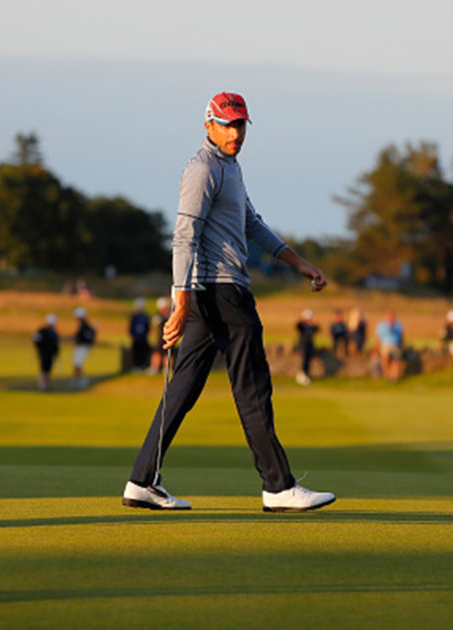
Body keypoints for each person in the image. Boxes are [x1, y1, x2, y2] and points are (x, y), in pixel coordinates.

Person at [122, 92, 335, 512]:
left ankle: (141, 481)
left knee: (183, 388)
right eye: (227, 124)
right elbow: (184, 236)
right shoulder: (203, 169)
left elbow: (252, 223)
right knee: (252, 386)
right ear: (209, 125)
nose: (235, 132)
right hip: (220, 292)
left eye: (240, 125)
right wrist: (179, 304)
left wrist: (299, 263)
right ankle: (278, 487)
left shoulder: (229, 168)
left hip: (210, 293)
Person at [375, 310, 404, 383]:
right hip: (385, 345)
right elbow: (378, 337)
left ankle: (394, 378)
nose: (391, 318)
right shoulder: (381, 325)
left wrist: (402, 345)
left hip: (396, 345)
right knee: (385, 359)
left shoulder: (398, 325)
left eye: (392, 316)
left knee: (396, 362)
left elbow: (402, 335)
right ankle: (387, 374)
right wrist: (377, 346)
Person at [33, 314, 59, 391]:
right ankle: (42, 386)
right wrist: (39, 349)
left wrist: (56, 352)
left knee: (48, 369)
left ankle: (46, 385)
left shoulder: (54, 332)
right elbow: (36, 340)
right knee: (44, 369)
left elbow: (55, 344)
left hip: (50, 353)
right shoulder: (42, 331)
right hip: (44, 353)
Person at [72, 307, 96, 387]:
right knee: (76, 365)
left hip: (82, 347)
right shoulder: (84, 324)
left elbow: (81, 336)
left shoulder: (83, 325)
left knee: (78, 365)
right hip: (81, 347)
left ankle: (83, 380)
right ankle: (76, 380)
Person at [148, 296, 171, 374]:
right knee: (157, 352)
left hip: (169, 337)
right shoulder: (158, 316)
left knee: (168, 353)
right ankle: (154, 368)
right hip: (160, 337)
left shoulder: (170, 315)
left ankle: (167, 368)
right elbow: (154, 325)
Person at [295, 309, 318, 385]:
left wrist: (311, 323)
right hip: (303, 345)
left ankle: (306, 374)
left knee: (308, 361)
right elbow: (298, 326)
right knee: (304, 360)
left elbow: (317, 328)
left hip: (309, 346)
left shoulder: (311, 327)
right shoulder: (302, 326)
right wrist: (304, 321)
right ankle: (302, 375)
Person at [129, 298, 150, 371]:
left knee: (143, 352)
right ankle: (136, 366)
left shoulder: (145, 316)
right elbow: (131, 327)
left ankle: (143, 365)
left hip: (143, 338)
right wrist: (133, 335)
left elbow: (147, 327)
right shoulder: (134, 316)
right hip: (136, 338)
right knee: (136, 352)